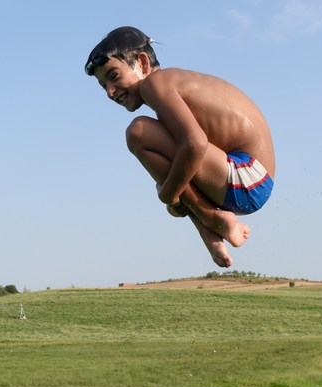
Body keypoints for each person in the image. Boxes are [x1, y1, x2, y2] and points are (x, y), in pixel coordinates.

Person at [85, 26, 276, 268]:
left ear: (142, 62)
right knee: (174, 166)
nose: (110, 92)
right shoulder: (171, 85)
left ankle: (210, 220)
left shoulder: (155, 84)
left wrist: (168, 194)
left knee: (138, 133)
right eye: (103, 86)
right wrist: (171, 189)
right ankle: (210, 223)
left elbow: (196, 144)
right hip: (251, 181)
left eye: (113, 76)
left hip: (247, 178)